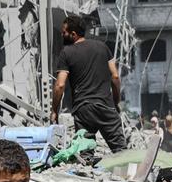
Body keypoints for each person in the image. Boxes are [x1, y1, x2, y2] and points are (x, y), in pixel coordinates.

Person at [51, 15, 127, 152]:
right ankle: (130, 172)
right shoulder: (103, 47)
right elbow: (115, 76)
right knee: (121, 151)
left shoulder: (66, 53)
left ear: (73, 34)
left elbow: (60, 85)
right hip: (105, 106)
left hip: (83, 109)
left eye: (64, 33)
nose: (62, 35)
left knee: (85, 152)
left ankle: (86, 171)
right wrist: (115, 103)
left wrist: (54, 110)